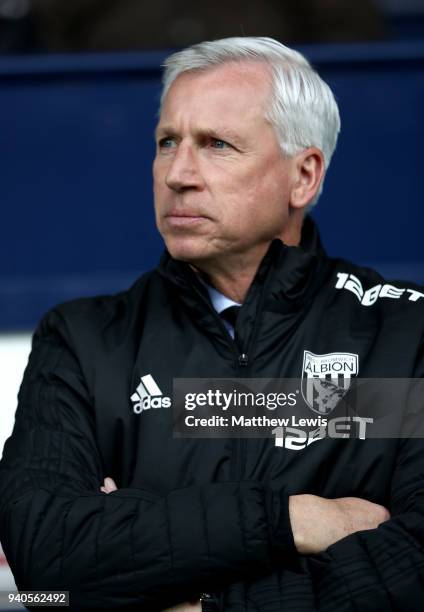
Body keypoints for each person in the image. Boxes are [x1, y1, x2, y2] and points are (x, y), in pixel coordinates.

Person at [1, 36, 424, 611]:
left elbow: (413, 566)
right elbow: (46, 568)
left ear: (304, 177)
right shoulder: (83, 338)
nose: (178, 173)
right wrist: (295, 518)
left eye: (216, 145)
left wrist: (197, 601)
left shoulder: (405, 332)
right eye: (166, 141)